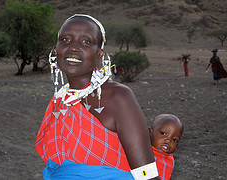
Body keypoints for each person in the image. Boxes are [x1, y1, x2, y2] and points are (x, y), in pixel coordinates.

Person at [35, 14, 160, 180]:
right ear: (55, 50)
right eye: (65, 39)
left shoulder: (118, 97)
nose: (73, 47)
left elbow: (147, 174)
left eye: (86, 41)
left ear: (99, 55)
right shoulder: (60, 102)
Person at [149, 114, 184, 180]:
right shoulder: (142, 151)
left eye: (174, 140)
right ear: (150, 132)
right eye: (163, 133)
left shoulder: (170, 160)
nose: (168, 141)